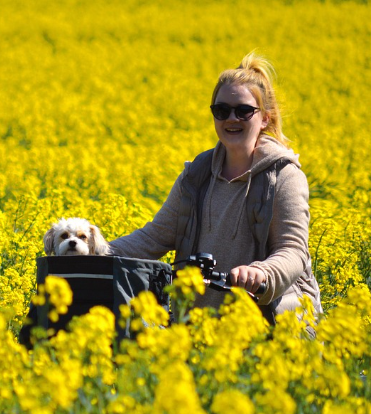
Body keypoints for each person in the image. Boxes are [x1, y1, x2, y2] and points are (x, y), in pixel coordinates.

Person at [109, 51, 322, 325]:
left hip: (271, 330)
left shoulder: (283, 175)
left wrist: (262, 273)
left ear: (265, 118)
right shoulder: (197, 174)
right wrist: (92, 251)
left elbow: (292, 250)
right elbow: (153, 238)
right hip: (201, 331)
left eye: (244, 111)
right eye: (221, 111)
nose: (231, 118)